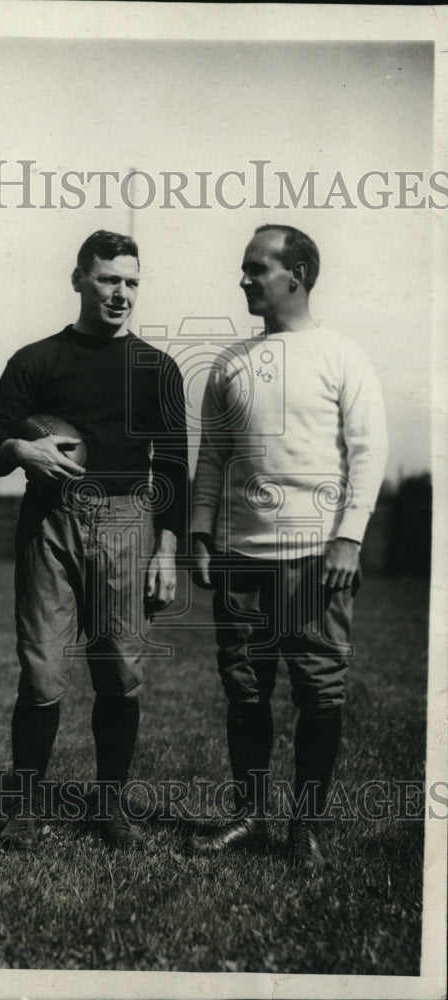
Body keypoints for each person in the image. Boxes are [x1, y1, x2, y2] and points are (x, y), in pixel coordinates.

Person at [0, 230, 188, 850]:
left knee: (120, 672)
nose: (121, 293)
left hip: (128, 521)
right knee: (41, 671)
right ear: (78, 280)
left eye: (132, 281)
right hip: (53, 521)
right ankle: (22, 808)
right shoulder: (38, 360)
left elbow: (172, 464)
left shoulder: (156, 368)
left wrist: (166, 551)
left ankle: (111, 807)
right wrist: (19, 447)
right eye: (108, 279)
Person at [189, 224, 388, 872]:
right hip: (241, 558)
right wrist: (200, 531)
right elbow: (214, 456)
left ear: (295, 275)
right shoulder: (230, 363)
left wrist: (348, 539)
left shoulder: (342, 356)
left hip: (315, 558)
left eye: (256, 268)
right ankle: (250, 816)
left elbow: (368, 452)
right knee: (246, 691)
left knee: (318, 692)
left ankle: (305, 826)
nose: (244, 279)